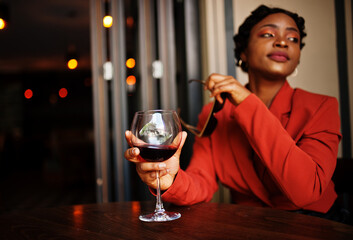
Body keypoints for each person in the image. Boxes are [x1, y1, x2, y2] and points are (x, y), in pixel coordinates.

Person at [125, 5, 347, 222]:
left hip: (318, 224)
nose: (282, 42)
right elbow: (202, 183)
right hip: (246, 225)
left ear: (297, 57)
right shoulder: (215, 114)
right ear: (243, 51)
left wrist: (247, 102)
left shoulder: (322, 106)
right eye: (268, 34)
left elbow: (307, 191)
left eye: (293, 39)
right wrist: (170, 180)